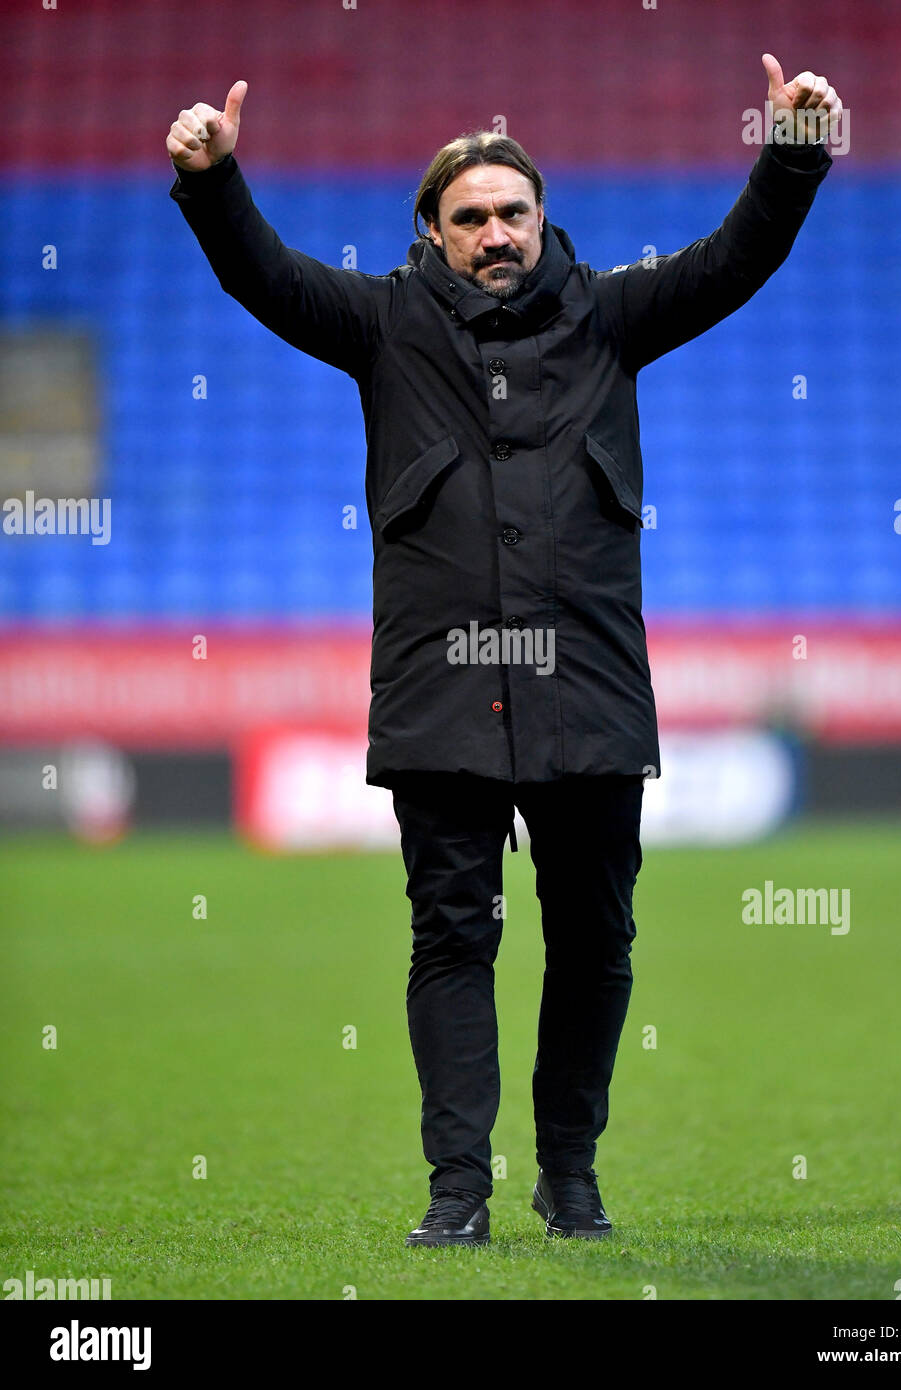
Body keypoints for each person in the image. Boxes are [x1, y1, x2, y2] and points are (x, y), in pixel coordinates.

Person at [167, 55, 840, 1247]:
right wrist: (218, 181)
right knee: (450, 938)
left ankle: (569, 1177)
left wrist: (790, 151)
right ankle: (457, 1191)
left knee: (596, 942)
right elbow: (266, 281)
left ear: (544, 219)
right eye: (470, 217)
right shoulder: (382, 324)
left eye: (513, 213)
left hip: (585, 690)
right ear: (431, 232)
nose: (496, 234)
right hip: (441, 696)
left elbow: (737, 261)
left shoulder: (613, 315)